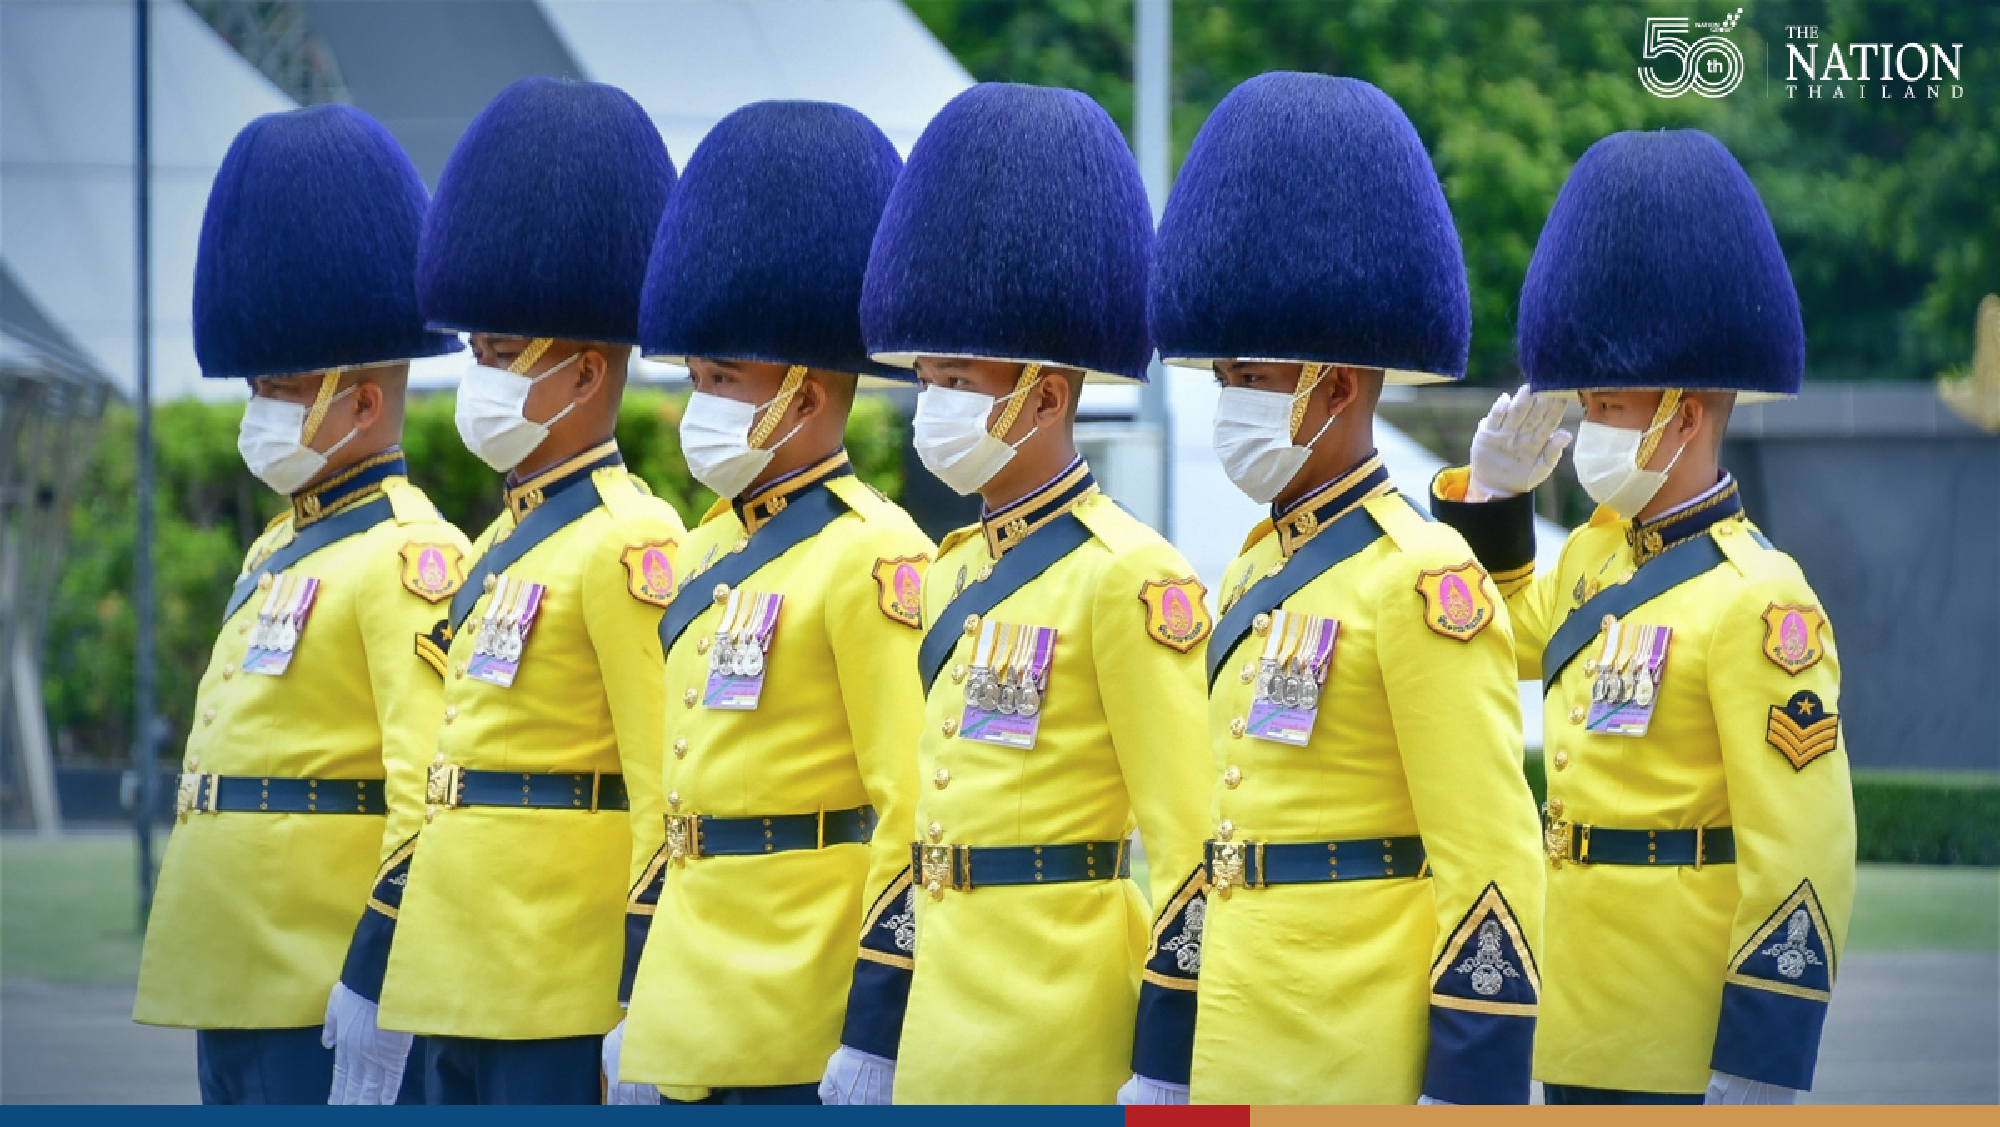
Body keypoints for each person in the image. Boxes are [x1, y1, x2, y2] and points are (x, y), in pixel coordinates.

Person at [1145, 71, 1548, 1106]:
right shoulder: (1253, 562)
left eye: (1250, 375)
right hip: (1233, 1038)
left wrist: (1469, 1082)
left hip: (1350, 1057)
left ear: (1334, 384)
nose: (1228, 399)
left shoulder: (1423, 579)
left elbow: (1489, 853)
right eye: (1223, 375)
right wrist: (1165, 1043)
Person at [1429, 129, 1855, 1105]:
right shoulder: (1590, 553)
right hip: (1576, 1016)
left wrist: (1757, 1063)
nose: (1588, 429)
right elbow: (1493, 643)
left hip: (1682, 1031)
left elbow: (1802, 853)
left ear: (1687, 414)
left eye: (1611, 406)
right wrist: (1489, 500)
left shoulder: (1762, 602)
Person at [817, 82, 1213, 1105]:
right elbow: (918, 821)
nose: (932, 401)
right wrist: (873, 1018)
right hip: (936, 1018)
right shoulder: (949, 571)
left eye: (959, 378)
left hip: (1061, 1023)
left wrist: (1166, 1054)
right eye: (929, 376)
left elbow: (1186, 842)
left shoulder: (1129, 576)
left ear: (1043, 394)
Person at [322, 77, 685, 1105]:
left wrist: (640, 990)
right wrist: (384, 950)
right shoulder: (497, 542)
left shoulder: (631, 544)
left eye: (494, 355)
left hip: (552, 981)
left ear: (577, 378)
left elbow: (663, 792)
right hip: (450, 967)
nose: (473, 377)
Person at [131, 104, 466, 1105]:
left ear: (361, 402)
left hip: (317, 981)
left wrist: (375, 972)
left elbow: (426, 803)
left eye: (276, 387)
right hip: (229, 972)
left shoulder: (408, 554)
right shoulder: (280, 542)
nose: (255, 411)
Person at [608, 100, 930, 1106]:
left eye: (725, 375)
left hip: (802, 1010)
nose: (700, 399)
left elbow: (908, 806)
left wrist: (875, 1018)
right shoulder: (699, 552)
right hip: (684, 997)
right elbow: (672, 798)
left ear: (808, 385)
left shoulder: (873, 554)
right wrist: (634, 992)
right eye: (697, 373)